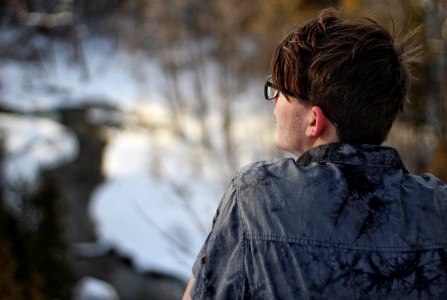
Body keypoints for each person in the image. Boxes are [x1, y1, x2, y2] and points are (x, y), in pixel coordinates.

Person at [183, 7, 447, 300]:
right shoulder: (438, 206)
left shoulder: (256, 198)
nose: (275, 103)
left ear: (314, 121)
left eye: (282, 91)